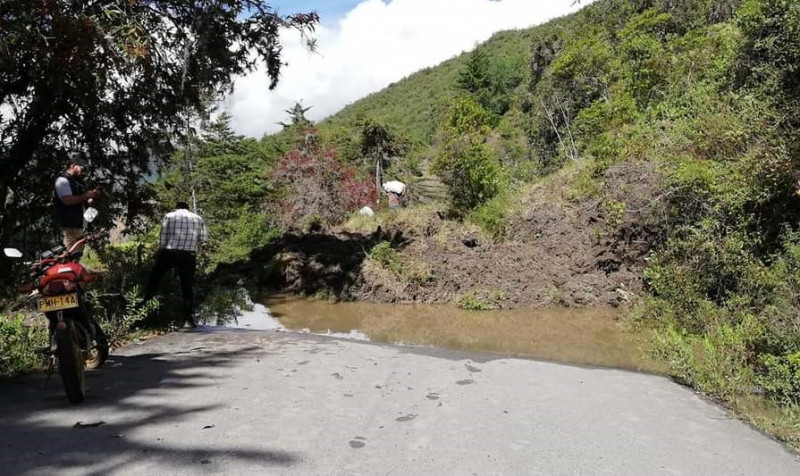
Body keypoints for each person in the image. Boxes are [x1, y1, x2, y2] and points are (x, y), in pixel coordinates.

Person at [144, 202, 208, 328]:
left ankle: (145, 312)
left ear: (177, 208)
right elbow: (203, 239)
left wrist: (160, 251)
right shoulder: (198, 218)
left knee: (154, 279)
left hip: (170, 253)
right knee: (187, 287)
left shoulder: (169, 216)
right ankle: (188, 319)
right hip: (188, 255)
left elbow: (163, 236)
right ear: (187, 208)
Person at [54, 155, 101, 252]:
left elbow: (85, 203)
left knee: (76, 256)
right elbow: (67, 201)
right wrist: (86, 195)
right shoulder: (62, 181)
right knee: (68, 257)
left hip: (79, 226)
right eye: (82, 168)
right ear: (73, 165)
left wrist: (92, 197)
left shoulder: (78, 182)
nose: (84, 172)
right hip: (68, 228)